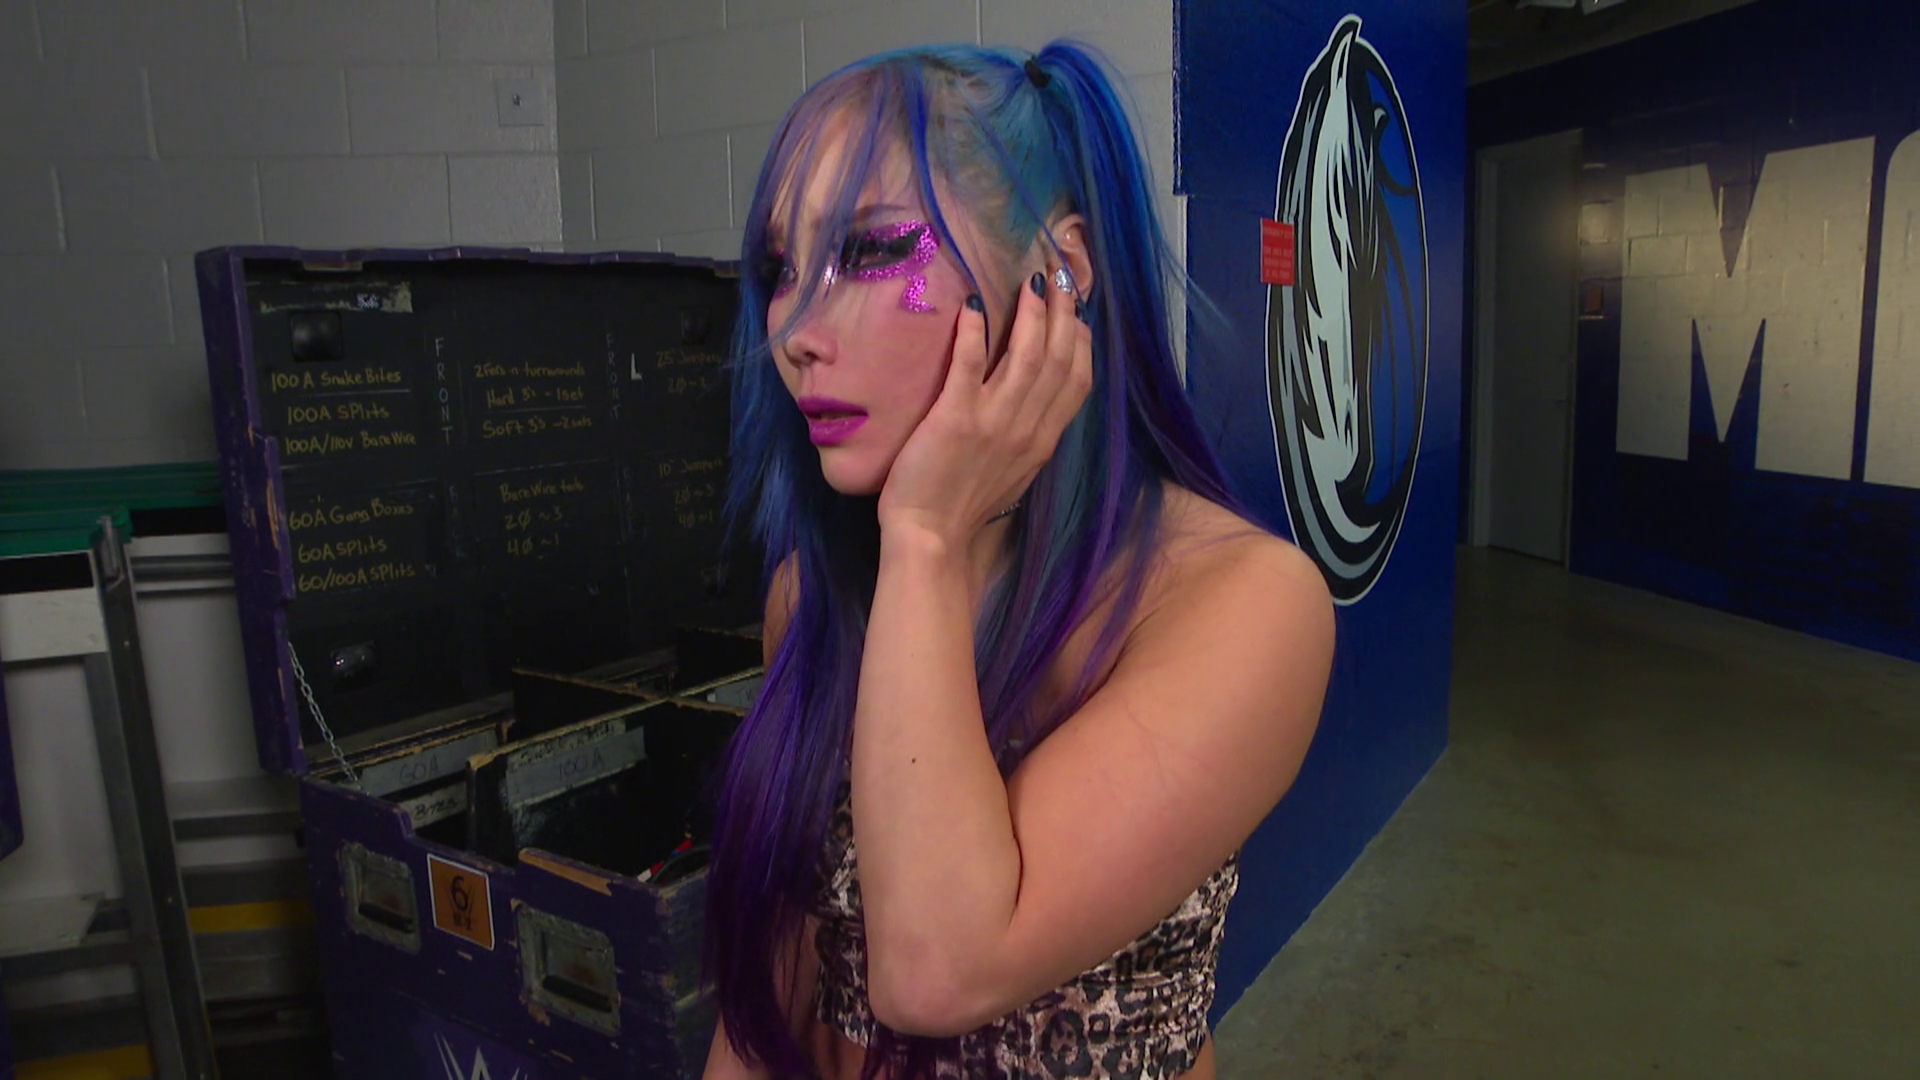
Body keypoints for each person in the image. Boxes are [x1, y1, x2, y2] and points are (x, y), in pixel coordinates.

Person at [701, 39, 1334, 1080]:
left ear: (1059, 271)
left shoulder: (1243, 604)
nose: (795, 332)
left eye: (870, 250)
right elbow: (775, 995)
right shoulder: (814, 597)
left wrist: (927, 537)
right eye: (781, 271)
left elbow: (939, 970)